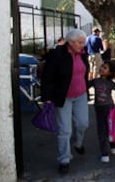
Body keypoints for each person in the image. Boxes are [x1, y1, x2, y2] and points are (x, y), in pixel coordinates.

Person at [40, 28, 90, 174]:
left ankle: (78, 143)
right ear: (70, 42)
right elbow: (47, 78)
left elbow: (85, 73)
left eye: (83, 42)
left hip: (81, 95)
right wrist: (47, 98)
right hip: (63, 97)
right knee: (65, 130)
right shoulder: (57, 55)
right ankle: (64, 159)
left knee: (83, 123)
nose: (82, 45)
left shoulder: (82, 53)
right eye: (80, 43)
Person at [89, 61, 115, 163]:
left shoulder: (110, 83)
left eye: (104, 68)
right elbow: (84, 86)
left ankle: (114, 144)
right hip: (99, 110)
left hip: (110, 109)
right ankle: (104, 153)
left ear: (109, 73)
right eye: (101, 67)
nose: (101, 69)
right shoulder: (95, 81)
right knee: (102, 131)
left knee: (111, 130)